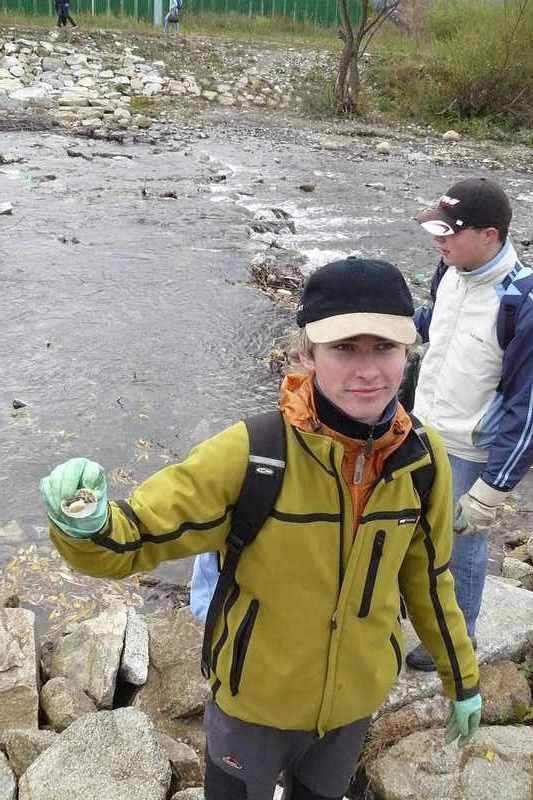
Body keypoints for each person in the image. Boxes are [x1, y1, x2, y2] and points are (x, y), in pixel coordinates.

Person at [41, 258, 481, 800]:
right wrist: (84, 524)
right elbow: (134, 538)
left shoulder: (423, 460)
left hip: (353, 707)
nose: (368, 370)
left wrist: (462, 678)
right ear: (308, 354)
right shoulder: (254, 454)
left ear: (408, 352)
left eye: (384, 347)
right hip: (252, 707)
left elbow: (429, 581)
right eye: (345, 347)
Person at [407, 177, 533, 671]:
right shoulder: (452, 270)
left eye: (448, 232)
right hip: (420, 428)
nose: (437, 241)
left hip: (470, 449)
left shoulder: (521, 301)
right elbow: (436, 323)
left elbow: (527, 409)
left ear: (489, 235)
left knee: (462, 542)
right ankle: (412, 605)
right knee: (410, 527)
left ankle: (458, 637)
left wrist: (492, 490)